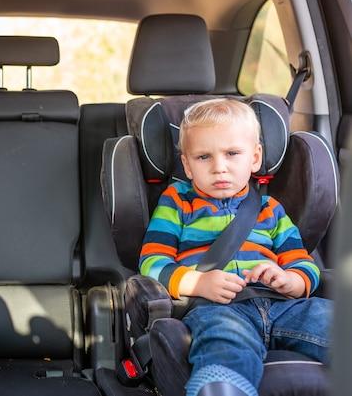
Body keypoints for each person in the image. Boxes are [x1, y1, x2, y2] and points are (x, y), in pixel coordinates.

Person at [137, 98, 330, 396]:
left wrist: (291, 280)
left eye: (232, 153)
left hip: (284, 306)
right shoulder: (177, 203)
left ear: (254, 158)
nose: (219, 168)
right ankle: (223, 388)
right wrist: (198, 282)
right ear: (187, 165)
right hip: (219, 309)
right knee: (225, 342)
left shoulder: (269, 209)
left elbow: (303, 263)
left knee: (330, 319)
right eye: (204, 157)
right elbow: (152, 262)